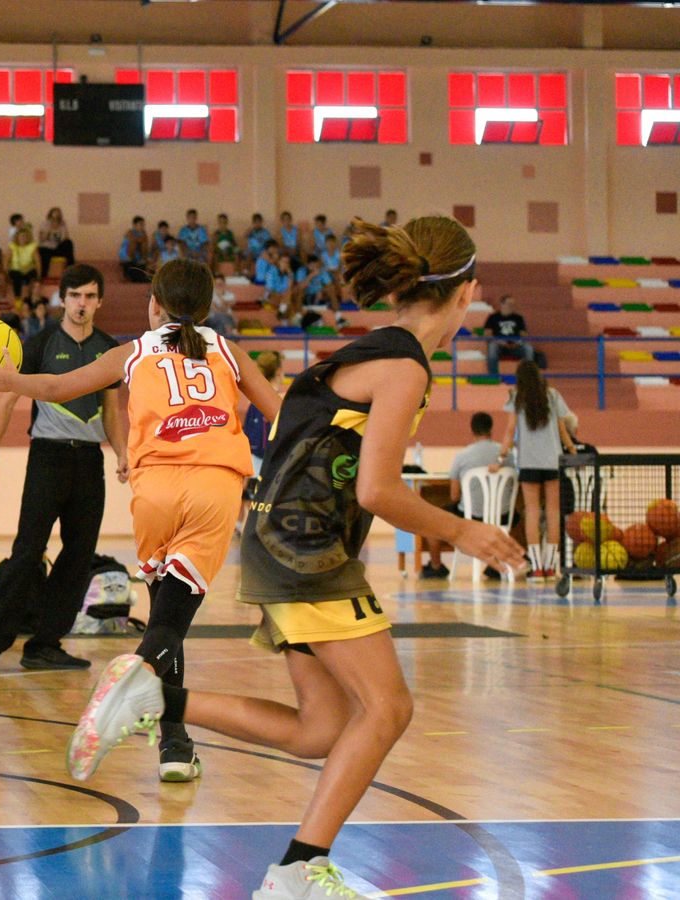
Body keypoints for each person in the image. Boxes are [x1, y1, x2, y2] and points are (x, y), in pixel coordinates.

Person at [61, 216, 525, 899]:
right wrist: (463, 532)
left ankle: (162, 699)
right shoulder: (402, 366)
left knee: (322, 728)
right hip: (305, 547)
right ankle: (298, 869)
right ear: (469, 293)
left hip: (281, 542)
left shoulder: (373, 353)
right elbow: (377, 488)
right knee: (388, 708)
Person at [0, 257, 280, 782]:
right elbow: (281, 416)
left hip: (155, 488)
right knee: (169, 623)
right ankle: (126, 689)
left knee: (166, 610)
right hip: (213, 486)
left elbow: (57, 388)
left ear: (154, 305)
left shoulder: (133, 351)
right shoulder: (229, 351)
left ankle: (175, 744)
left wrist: (9, 378)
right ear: (207, 308)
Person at [0, 263, 126, 672]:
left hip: (90, 461)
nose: (82, 304)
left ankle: (45, 644)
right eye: (75, 296)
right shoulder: (38, 344)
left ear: (100, 301)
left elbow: (112, 411)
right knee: (28, 549)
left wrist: (122, 453)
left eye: (90, 296)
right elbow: (5, 402)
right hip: (48, 457)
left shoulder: (109, 350)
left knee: (79, 555)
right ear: (63, 299)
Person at [493, 359, 574, 579]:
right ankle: (551, 566)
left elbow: (510, 432)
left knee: (532, 512)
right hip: (553, 461)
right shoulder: (552, 395)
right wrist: (572, 450)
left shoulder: (517, 397)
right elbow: (562, 428)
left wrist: (500, 458)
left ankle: (537, 567)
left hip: (529, 462)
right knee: (553, 512)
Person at [423, 412, 504, 578]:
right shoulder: (504, 454)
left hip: (470, 516)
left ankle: (436, 566)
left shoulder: (463, 456)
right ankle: (498, 563)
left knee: (430, 519)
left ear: (472, 430)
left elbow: (454, 496)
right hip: (503, 515)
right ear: (491, 429)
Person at [482, 294, 535, 376]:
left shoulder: (518, 318)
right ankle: (493, 376)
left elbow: (524, 334)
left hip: (515, 346)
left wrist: (518, 342)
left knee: (528, 348)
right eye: (509, 304)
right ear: (502, 304)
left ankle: (529, 375)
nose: (512, 307)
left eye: (513, 305)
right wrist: (499, 342)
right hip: (499, 346)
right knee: (492, 347)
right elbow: (487, 334)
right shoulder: (493, 317)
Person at [37, 207, 74, 280]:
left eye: (58, 214)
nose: (56, 216)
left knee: (69, 243)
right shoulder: (45, 223)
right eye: (54, 214)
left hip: (57, 247)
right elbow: (41, 239)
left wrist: (62, 229)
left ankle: (71, 271)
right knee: (42, 250)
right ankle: (43, 276)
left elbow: (66, 238)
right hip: (46, 248)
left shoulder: (62, 223)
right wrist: (50, 229)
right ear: (50, 215)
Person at [8, 224, 38, 300]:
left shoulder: (32, 247)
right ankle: (17, 299)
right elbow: (6, 261)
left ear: (28, 238)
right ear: (17, 237)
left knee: (32, 277)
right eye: (21, 236)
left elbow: (38, 262)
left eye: (25, 236)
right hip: (16, 270)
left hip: (28, 270)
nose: (23, 238)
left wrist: (39, 275)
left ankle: (29, 299)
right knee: (16, 276)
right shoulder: (12, 247)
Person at [120, 216, 149, 282]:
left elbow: (144, 245)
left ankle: (139, 276)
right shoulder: (130, 232)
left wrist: (143, 258)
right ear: (134, 225)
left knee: (143, 264)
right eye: (140, 224)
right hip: (128, 257)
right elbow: (133, 244)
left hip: (137, 257)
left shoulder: (143, 233)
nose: (142, 226)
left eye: (143, 225)